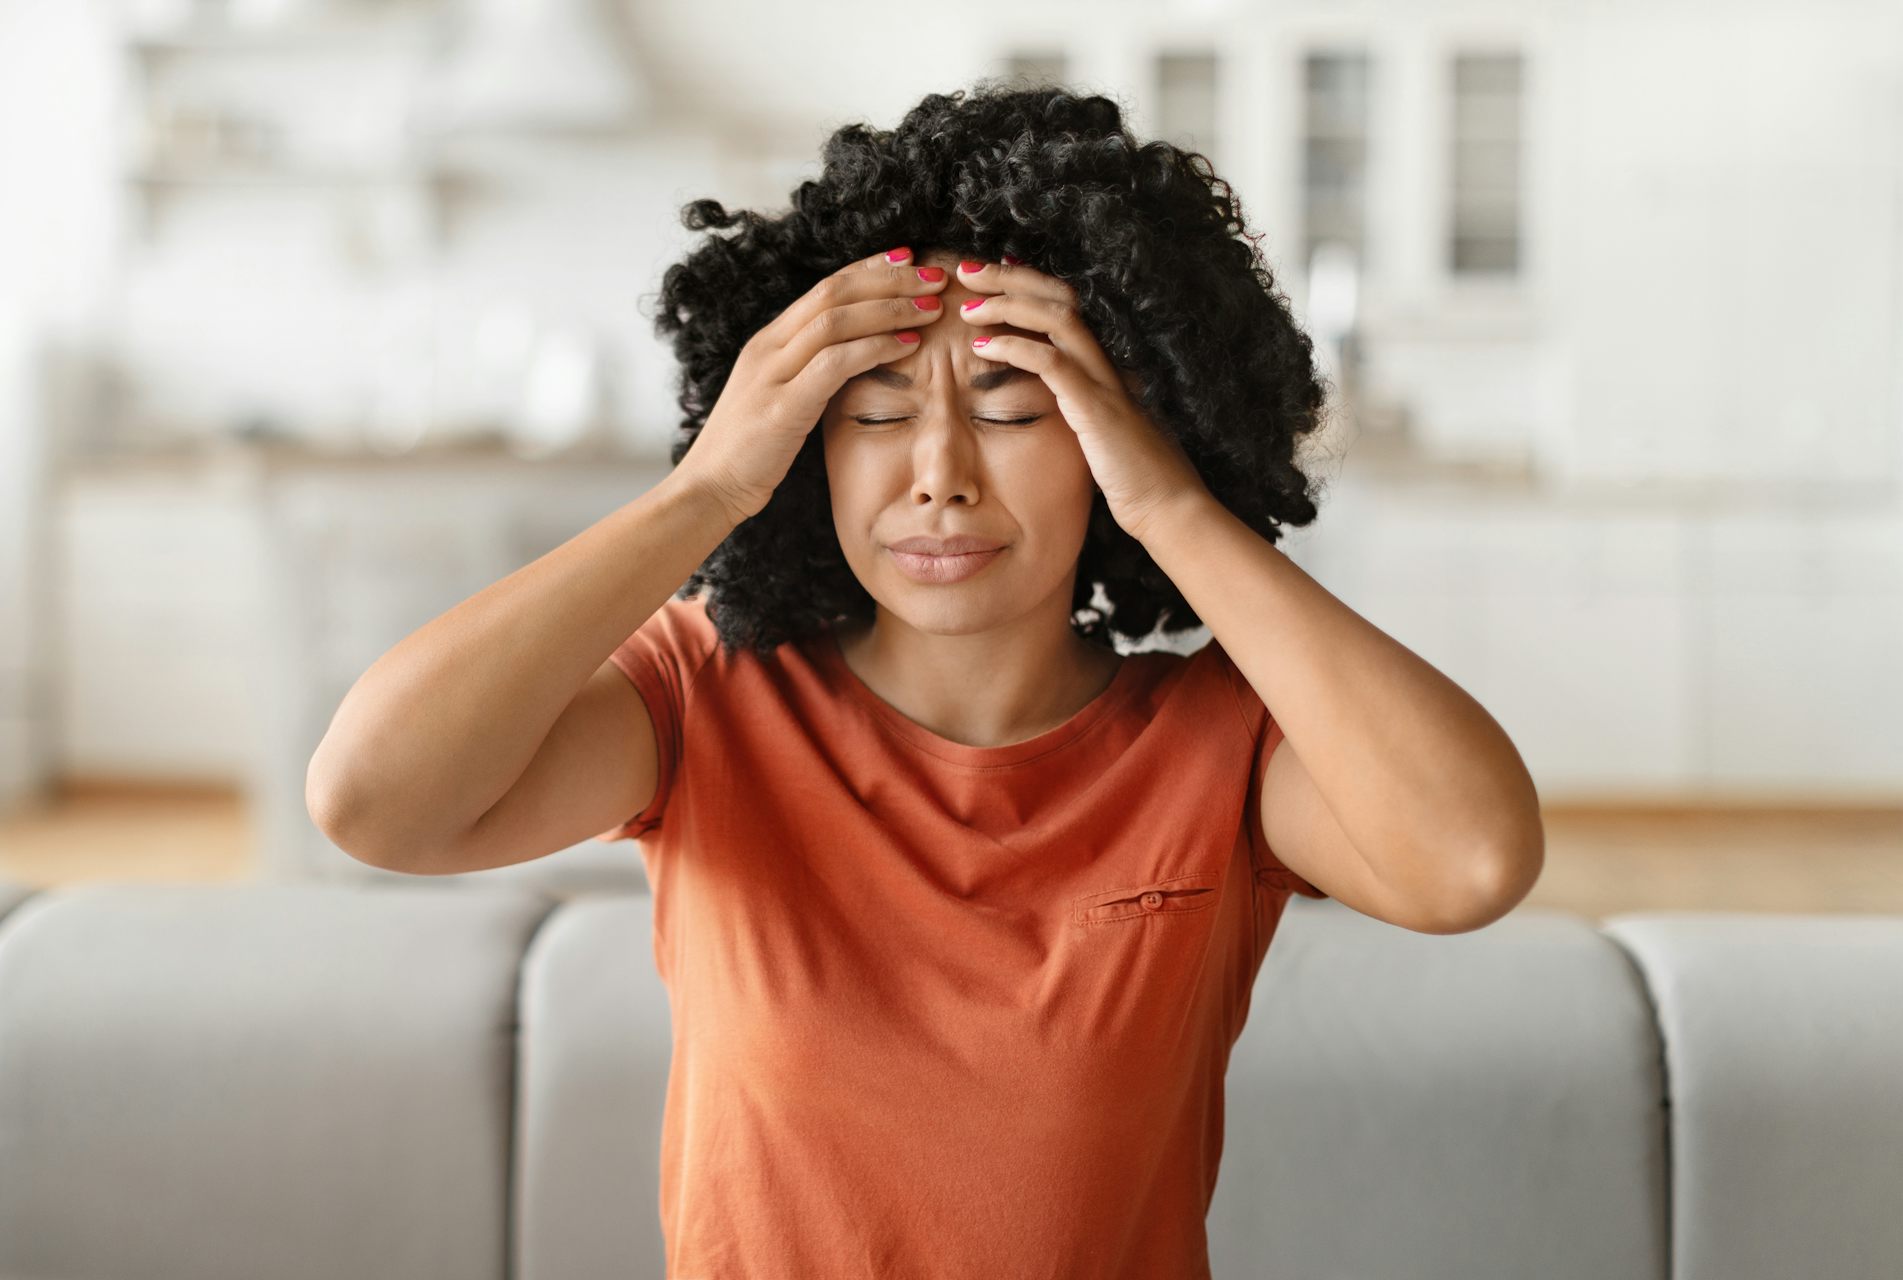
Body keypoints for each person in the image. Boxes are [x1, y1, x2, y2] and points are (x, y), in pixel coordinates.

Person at [307, 79, 1543, 1278]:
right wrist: (707, 489)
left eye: (1012, 410)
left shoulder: (1223, 744)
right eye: (877, 412)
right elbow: (371, 800)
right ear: (808, 445)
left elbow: (1474, 860)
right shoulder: (706, 696)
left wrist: (1174, 507)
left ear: (1125, 432)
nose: (939, 471)